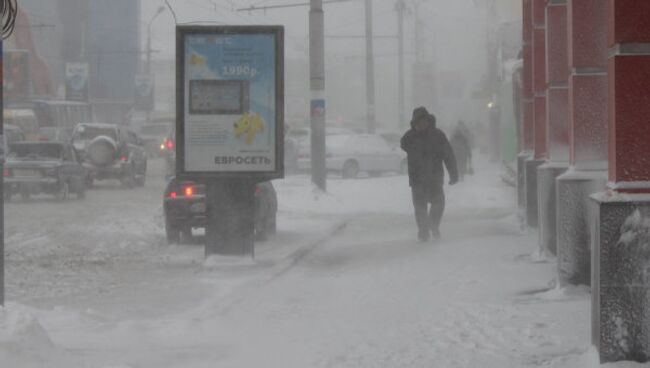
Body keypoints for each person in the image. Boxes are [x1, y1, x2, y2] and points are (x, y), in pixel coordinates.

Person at [401, 107, 459, 242]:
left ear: (428, 121)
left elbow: (448, 155)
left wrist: (453, 173)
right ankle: (423, 231)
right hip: (417, 180)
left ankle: (433, 225)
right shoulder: (410, 137)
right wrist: (414, 133)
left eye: (424, 121)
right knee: (420, 208)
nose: (421, 124)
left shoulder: (438, 135)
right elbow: (403, 144)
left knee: (439, 203)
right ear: (414, 123)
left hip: (435, 178)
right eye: (418, 122)